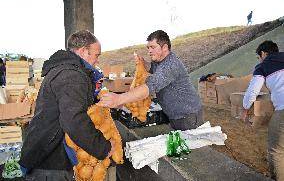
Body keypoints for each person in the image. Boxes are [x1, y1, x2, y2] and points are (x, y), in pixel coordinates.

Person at [19, 30, 113, 181]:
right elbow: (74, 121)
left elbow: (72, 106)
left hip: (47, 154)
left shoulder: (66, 70)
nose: (97, 61)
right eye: (96, 55)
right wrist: (104, 148)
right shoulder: (71, 75)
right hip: (49, 162)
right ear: (83, 51)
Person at [98, 30, 203, 131]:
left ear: (165, 47)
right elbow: (152, 69)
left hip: (188, 116)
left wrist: (119, 99)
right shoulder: (159, 61)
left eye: (153, 47)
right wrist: (143, 63)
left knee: (191, 146)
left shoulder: (171, 65)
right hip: (175, 114)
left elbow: (150, 86)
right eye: (148, 48)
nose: (149, 51)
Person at [240, 40, 284, 180]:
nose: (259, 60)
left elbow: (253, 91)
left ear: (264, 53)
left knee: (276, 151)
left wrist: (245, 109)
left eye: (259, 57)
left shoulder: (262, 66)